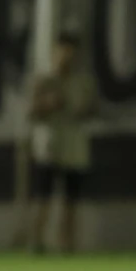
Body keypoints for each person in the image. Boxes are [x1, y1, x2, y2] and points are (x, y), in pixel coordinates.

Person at [21, 32, 97, 254]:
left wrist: (83, 108)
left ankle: (67, 243)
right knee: (42, 198)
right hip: (50, 147)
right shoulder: (45, 80)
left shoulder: (83, 82)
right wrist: (48, 105)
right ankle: (36, 241)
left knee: (70, 201)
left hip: (74, 148)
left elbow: (93, 109)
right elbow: (32, 111)